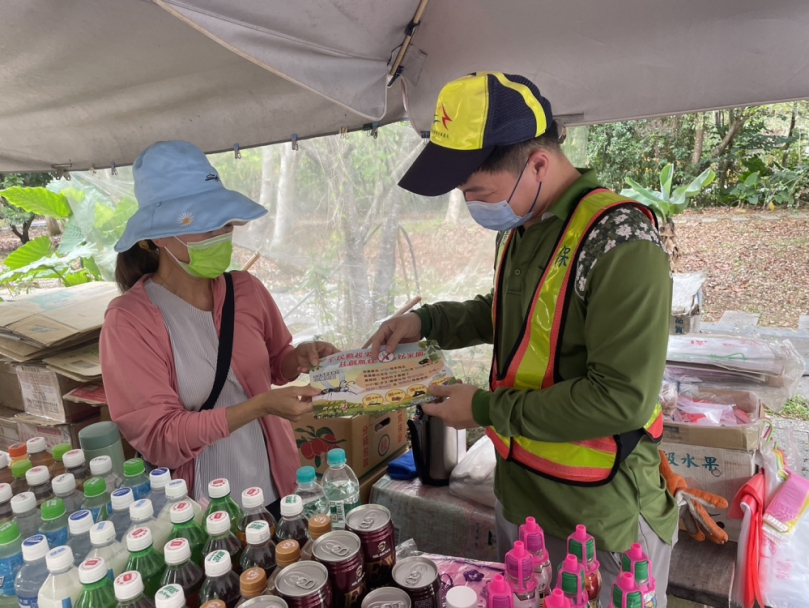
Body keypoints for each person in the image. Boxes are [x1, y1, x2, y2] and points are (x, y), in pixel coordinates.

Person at [367, 72, 679, 607]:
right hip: (522, 495)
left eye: (476, 191)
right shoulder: (524, 223)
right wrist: (430, 322)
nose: (471, 205)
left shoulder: (620, 242)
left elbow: (621, 397)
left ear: (537, 163)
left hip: (599, 515)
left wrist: (485, 408)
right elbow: (516, 315)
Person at [99, 141, 336, 516]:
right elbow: (160, 437)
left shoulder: (246, 290)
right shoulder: (130, 322)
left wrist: (301, 356)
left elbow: (276, 364)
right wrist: (257, 407)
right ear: (155, 238)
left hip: (278, 488)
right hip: (202, 513)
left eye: (223, 222)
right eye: (201, 225)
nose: (219, 234)